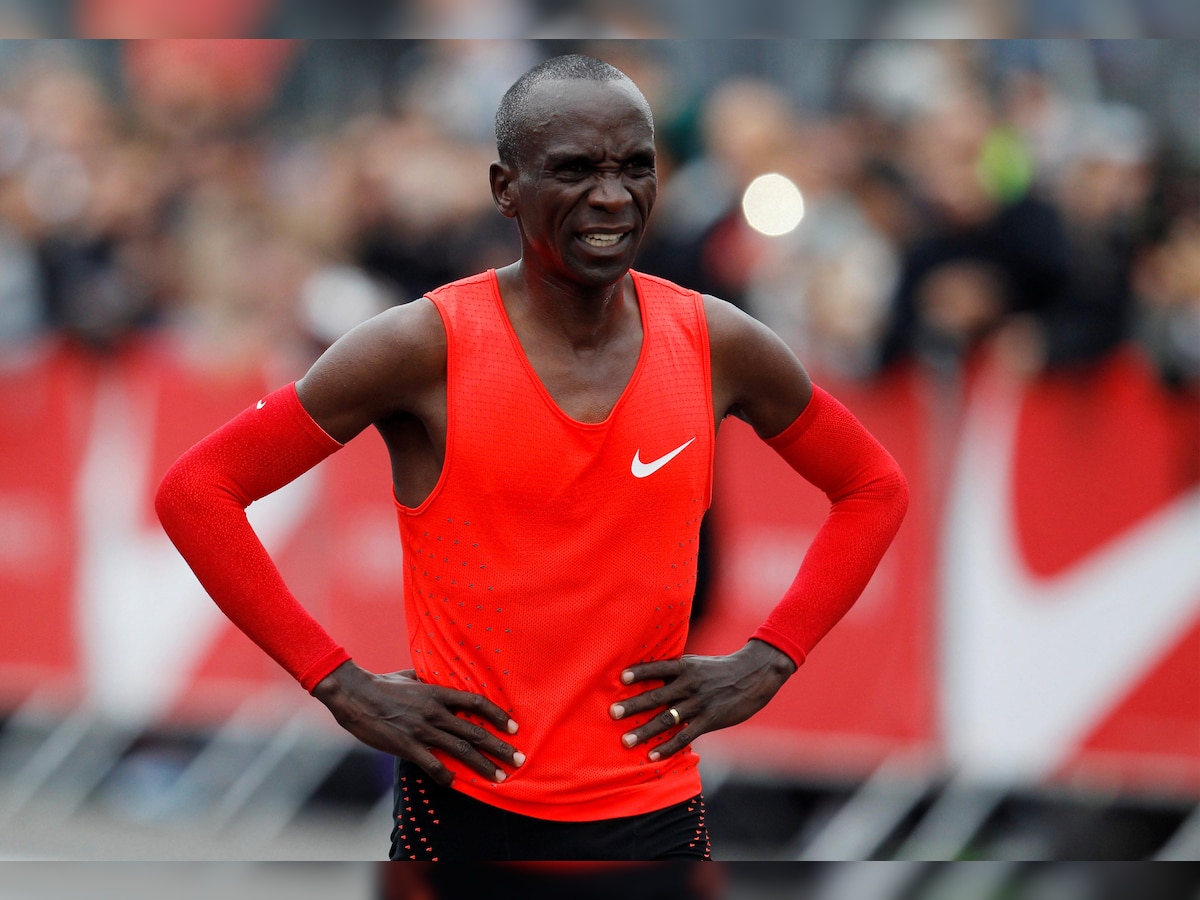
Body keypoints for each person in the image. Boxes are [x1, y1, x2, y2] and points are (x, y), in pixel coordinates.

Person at [156, 54, 909, 861]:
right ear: (505, 188)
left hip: (655, 821)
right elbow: (198, 491)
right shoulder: (422, 345)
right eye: (576, 170)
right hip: (468, 820)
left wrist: (769, 660)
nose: (614, 197)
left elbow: (872, 486)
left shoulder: (714, 340)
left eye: (636, 168)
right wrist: (338, 684)